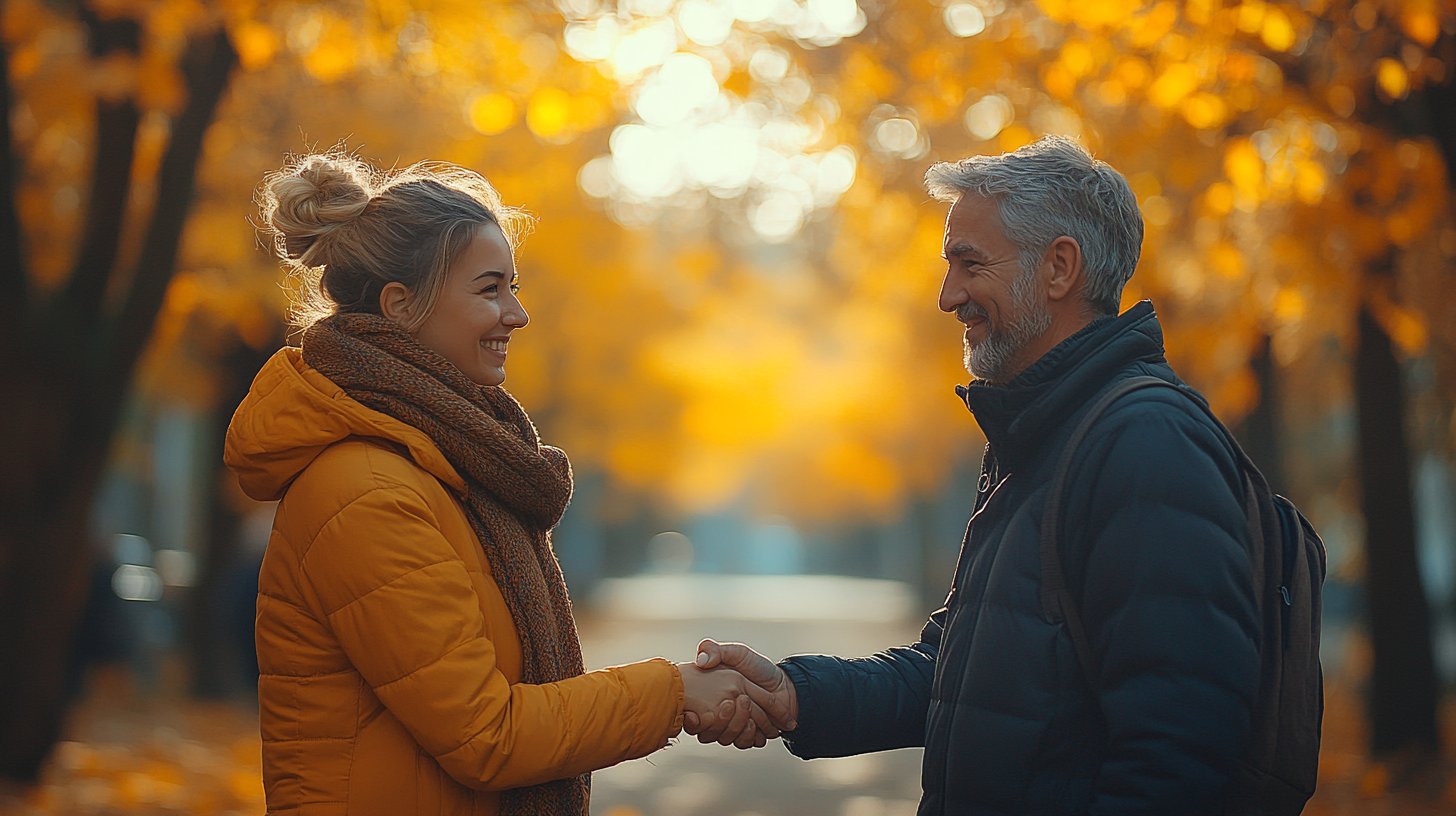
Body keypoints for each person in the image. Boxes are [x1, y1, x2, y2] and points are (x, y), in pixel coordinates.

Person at [687, 136, 1261, 815]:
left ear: (1059, 267)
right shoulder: (1048, 441)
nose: (946, 296)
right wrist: (796, 695)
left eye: (969, 264)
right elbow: (963, 678)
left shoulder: (1143, 446)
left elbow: (1181, 757)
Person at [224, 152, 783, 816]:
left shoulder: (442, 466)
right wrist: (676, 691)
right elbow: (487, 735)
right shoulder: (367, 490)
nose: (517, 314)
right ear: (401, 307)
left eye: (513, 287)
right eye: (490, 289)